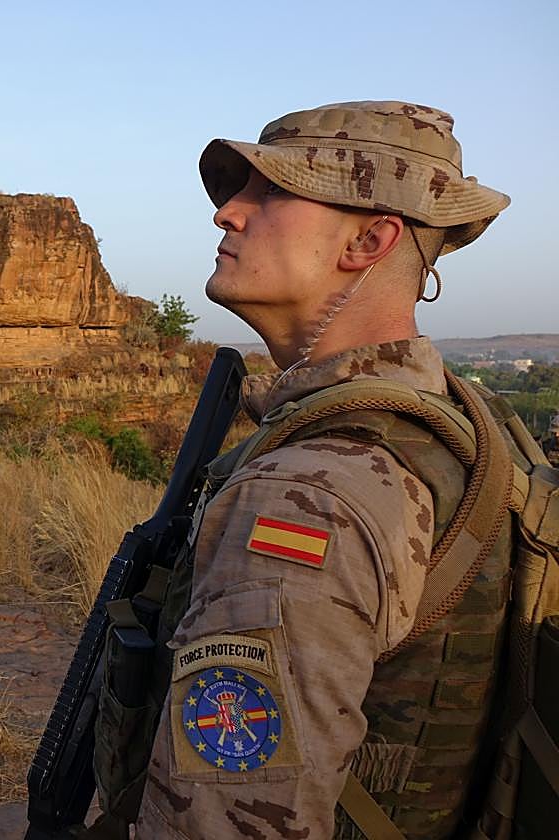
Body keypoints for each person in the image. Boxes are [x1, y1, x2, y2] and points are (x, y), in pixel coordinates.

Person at [131, 102, 513, 838]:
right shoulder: (462, 425)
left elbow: (230, 820)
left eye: (270, 192)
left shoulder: (306, 494)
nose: (227, 215)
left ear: (369, 240)